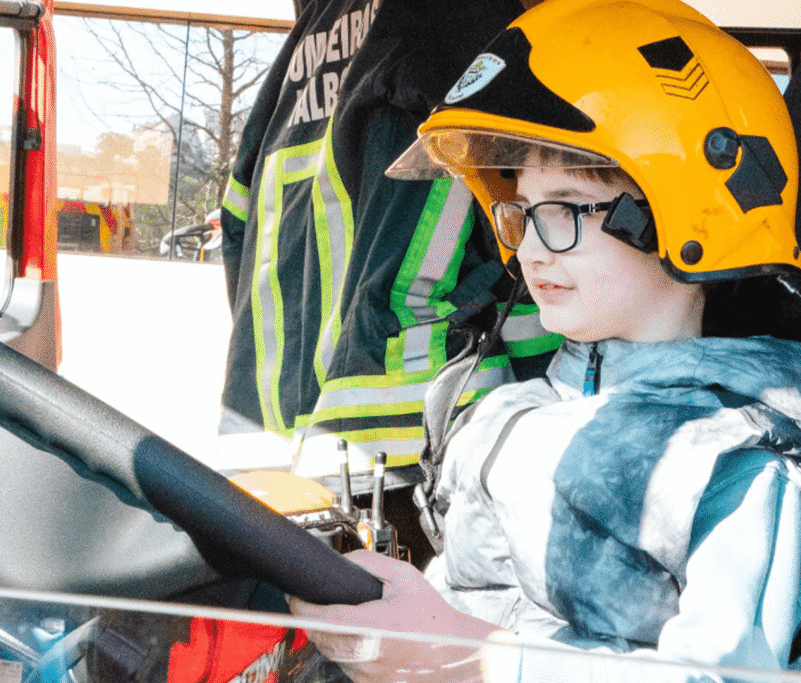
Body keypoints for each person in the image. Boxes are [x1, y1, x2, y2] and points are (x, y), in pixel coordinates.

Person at [288, 0, 801, 680]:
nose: (529, 247)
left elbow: (719, 674)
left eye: (562, 209)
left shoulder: (734, 460)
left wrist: (470, 658)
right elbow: (473, 599)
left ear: (682, 210)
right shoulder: (512, 413)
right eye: (518, 212)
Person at [218, 0, 559, 484]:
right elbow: (529, 234)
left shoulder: (311, 34)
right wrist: (559, 399)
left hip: (263, 434)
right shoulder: (467, 18)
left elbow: (236, 220)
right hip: (406, 443)